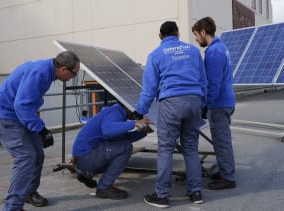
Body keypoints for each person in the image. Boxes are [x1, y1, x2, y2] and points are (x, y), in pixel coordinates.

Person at [0, 51, 80, 211]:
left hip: (18, 116)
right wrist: (41, 130)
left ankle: (28, 192)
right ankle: (13, 207)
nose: (73, 77)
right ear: (64, 70)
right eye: (73, 74)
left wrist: (38, 127)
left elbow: (30, 102)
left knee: (37, 153)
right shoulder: (40, 73)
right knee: (26, 158)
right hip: (5, 117)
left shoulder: (47, 70)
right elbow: (22, 105)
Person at [134, 21, 208, 208]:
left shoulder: (156, 55)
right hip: (194, 101)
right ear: (177, 33)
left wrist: (140, 110)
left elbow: (149, 88)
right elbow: (203, 81)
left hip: (171, 103)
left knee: (166, 149)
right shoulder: (193, 51)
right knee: (191, 148)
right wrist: (203, 105)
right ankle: (196, 192)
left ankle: (162, 195)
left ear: (160, 36)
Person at [71, 103, 152, 200]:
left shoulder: (117, 114)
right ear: (127, 106)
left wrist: (143, 132)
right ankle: (104, 187)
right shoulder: (114, 112)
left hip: (84, 157)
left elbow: (122, 138)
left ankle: (87, 174)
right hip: (86, 156)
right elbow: (108, 130)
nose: (140, 113)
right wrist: (134, 123)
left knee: (121, 146)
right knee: (126, 147)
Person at [192, 17, 236, 190]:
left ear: (203, 32)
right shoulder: (221, 47)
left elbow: (213, 83)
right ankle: (226, 170)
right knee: (222, 140)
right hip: (226, 100)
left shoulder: (214, 52)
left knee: (221, 140)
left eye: (196, 34)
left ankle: (228, 177)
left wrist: (206, 105)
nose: (196, 39)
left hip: (218, 103)